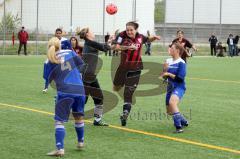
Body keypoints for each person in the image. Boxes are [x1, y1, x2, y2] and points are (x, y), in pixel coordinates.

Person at [112, 21, 160, 126]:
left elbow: (147, 40)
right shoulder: (121, 35)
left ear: (136, 30)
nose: (129, 32)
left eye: (131, 30)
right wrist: (127, 47)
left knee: (128, 93)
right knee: (115, 88)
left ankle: (125, 113)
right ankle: (122, 89)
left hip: (136, 68)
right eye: (127, 29)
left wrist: (154, 38)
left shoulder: (140, 37)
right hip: (123, 68)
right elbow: (114, 47)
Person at [45, 37, 85, 157]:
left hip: (64, 91)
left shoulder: (49, 60)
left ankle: (60, 149)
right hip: (79, 89)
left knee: (59, 121)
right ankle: (80, 142)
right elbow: (82, 65)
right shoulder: (70, 52)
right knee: (78, 116)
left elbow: (48, 78)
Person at [78, 27, 113, 126]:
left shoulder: (90, 43)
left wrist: (109, 41)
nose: (93, 32)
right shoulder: (90, 43)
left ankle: (97, 120)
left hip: (91, 76)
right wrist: (109, 42)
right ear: (87, 34)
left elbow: (104, 47)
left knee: (99, 98)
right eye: (91, 31)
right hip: (86, 76)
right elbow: (106, 48)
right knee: (83, 100)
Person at [160, 42, 189, 133]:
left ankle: (178, 127)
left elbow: (180, 78)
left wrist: (168, 73)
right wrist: (164, 70)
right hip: (170, 88)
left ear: (177, 50)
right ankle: (183, 121)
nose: (169, 50)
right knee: (169, 111)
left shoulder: (181, 62)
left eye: (171, 48)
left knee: (172, 103)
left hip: (179, 87)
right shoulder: (168, 61)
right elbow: (164, 76)